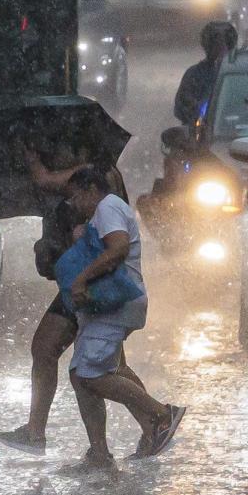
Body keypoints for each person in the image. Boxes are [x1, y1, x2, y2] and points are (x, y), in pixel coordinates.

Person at [0, 143, 147, 454]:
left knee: (79, 364)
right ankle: (107, 443)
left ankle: (155, 419)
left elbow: (44, 180)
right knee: (94, 368)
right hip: (84, 279)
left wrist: (32, 157)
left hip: (94, 283)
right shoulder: (91, 177)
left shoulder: (94, 174)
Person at [61, 165, 184, 469]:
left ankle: (161, 414)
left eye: (75, 197)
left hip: (117, 303)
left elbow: (117, 250)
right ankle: (99, 454)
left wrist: (81, 280)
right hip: (105, 306)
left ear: (91, 190)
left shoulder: (108, 207)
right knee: (80, 375)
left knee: (91, 374)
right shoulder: (101, 213)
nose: (72, 205)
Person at [172, 20, 237, 130]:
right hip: (202, 134)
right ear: (207, 47)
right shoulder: (194, 75)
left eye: (222, 45)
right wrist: (195, 111)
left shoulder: (238, 76)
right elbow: (180, 109)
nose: (219, 51)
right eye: (215, 46)